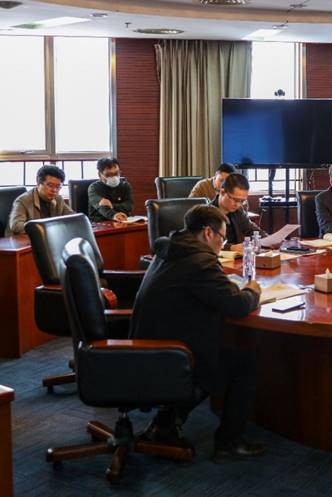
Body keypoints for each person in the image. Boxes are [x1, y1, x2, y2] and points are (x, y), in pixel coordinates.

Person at [130, 204, 266, 460]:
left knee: (219, 349)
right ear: (207, 233)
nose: (222, 245)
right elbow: (237, 305)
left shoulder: (171, 247)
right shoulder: (199, 261)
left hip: (148, 344)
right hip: (170, 354)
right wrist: (252, 290)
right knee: (245, 363)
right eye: (222, 238)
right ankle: (229, 442)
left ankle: (165, 424)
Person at [6, 164, 74, 235]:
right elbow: (16, 226)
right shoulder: (23, 200)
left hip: (46, 238)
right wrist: (44, 229)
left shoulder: (58, 199)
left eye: (58, 187)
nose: (54, 190)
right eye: (50, 185)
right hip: (20, 240)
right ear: (38, 184)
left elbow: (73, 217)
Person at [211, 173, 267, 251]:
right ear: (222, 192)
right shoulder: (207, 213)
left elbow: (251, 229)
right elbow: (205, 243)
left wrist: (269, 240)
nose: (238, 205)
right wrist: (231, 247)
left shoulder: (238, 211)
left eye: (242, 201)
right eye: (235, 200)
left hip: (237, 256)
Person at [88, 157, 133, 222]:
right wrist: (114, 215)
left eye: (116, 173)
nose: (113, 177)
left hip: (123, 220)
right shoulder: (93, 188)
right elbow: (102, 207)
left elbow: (129, 206)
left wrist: (111, 205)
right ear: (100, 174)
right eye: (108, 175)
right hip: (100, 222)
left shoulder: (125, 185)